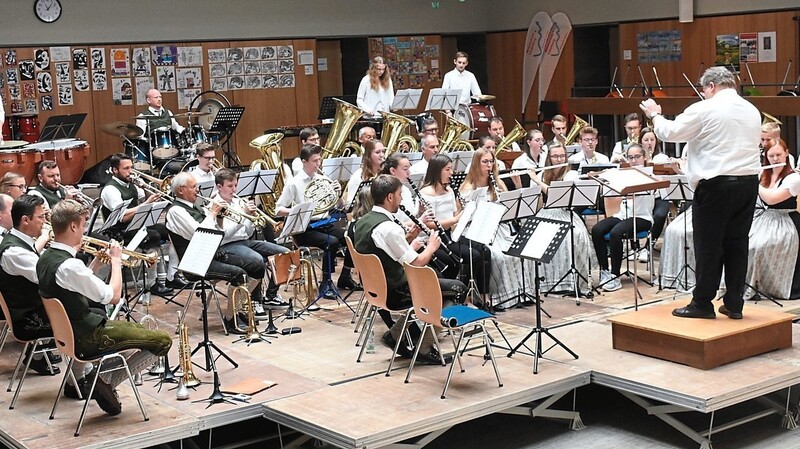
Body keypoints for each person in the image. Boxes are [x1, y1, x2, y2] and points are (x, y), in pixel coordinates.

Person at [640, 66, 761, 320]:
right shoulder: (752, 110)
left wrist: (655, 115)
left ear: (711, 87)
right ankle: (734, 303)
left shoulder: (705, 107)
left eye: (704, 89)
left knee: (708, 245)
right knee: (737, 244)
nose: (703, 93)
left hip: (716, 185)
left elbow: (670, 133)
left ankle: (703, 303)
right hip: (748, 183)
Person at [37, 199, 172, 416]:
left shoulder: (47, 257)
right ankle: (107, 382)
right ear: (73, 226)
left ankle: (92, 378)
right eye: (82, 225)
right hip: (87, 336)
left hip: (68, 332)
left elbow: (75, 285)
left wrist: (98, 264)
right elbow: (113, 296)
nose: (83, 231)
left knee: (135, 331)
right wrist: (117, 262)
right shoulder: (70, 265)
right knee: (162, 341)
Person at [354, 174, 464, 364]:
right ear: (390, 197)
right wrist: (431, 247)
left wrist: (406, 241)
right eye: (399, 194)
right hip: (396, 290)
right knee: (457, 289)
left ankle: (394, 335)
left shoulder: (362, 222)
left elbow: (384, 251)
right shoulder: (389, 228)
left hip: (377, 287)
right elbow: (417, 263)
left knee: (437, 279)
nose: (402, 198)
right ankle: (424, 347)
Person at [166, 172, 265, 332]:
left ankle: (239, 309)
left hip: (211, 255)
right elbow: (199, 234)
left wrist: (219, 217)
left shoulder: (196, 207)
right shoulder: (176, 211)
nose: (198, 190)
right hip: (194, 263)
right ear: (181, 190)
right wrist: (212, 213)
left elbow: (218, 233)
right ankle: (230, 318)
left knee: (255, 265)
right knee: (239, 274)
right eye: (193, 187)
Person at [275, 144, 358, 295]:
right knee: (331, 242)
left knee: (351, 237)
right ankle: (325, 283)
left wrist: (338, 194)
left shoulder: (323, 178)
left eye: (319, 160)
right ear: (304, 162)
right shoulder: (294, 183)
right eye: (314, 161)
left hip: (324, 223)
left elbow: (339, 206)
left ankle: (345, 275)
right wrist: (297, 211)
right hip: (305, 228)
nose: (318, 164)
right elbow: (278, 209)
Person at [212, 168, 291, 319]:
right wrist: (245, 217)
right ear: (219, 186)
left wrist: (250, 218)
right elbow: (224, 235)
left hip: (245, 241)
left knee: (284, 253)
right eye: (230, 186)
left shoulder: (238, 201)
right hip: (226, 246)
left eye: (235, 185)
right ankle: (254, 300)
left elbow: (247, 232)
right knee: (257, 261)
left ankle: (271, 295)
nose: (234, 189)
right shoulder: (215, 206)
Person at [99, 153, 176, 295]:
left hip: (137, 223)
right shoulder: (110, 189)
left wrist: (146, 188)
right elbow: (122, 216)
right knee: (153, 236)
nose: (131, 172)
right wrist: (146, 204)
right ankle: (153, 283)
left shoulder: (131, 185)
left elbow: (145, 200)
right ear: (115, 170)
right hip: (119, 230)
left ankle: (172, 275)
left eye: (131, 168)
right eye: (126, 168)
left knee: (171, 229)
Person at [420, 154, 490, 307]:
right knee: (472, 256)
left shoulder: (450, 190)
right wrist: (456, 219)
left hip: (450, 234)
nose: (451, 173)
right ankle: (461, 296)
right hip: (435, 238)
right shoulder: (426, 193)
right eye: (448, 169)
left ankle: (484, 297)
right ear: (438, 171)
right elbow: (429, 224)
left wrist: (467, 212)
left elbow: (453, 215)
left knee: (484, 250)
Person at [0, 195, 58, 376]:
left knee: (90, 307)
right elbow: (48, 280)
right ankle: (81, 378)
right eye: (41, 217)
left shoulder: (21, 242)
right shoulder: (15, 251)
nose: (44, 221)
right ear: (25, 220)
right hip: (28, 318)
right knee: (90, 316)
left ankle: (39, 357)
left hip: (33, 307)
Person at [459, 149, 523, 310]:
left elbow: (508, 207)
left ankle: (517, 295)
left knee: (518, 251)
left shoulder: (498, 183)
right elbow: (462, 215)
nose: (489, 165)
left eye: (491, 162)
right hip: (478, 229)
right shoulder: (468, 187)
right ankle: (489, 297)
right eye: (485, 162)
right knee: (497, 255)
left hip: (499, 228)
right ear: (476, 164)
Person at [529, 143, 597, 294]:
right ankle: (547, 282)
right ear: (549, 158)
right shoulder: (542, 174)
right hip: (547, 213)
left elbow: (557, 195)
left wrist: (536, 181)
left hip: (565, 213)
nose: (559, 160)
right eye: (555, 156)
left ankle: (572, 282)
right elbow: (537, 201)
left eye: (561, 156)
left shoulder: (570, 174)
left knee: (572, 237)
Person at [590, 144, 655, 292]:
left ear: (644, 157)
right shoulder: (625, 172)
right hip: (623, 214)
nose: (633, 160)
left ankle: (615, 275)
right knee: (597, 229)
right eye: (630, 157)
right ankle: (605, 271)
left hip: (642, 217)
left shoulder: (649, 175)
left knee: (615, 233)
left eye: (637, 157)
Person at [744, 143, 800, 299]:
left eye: (779, 155)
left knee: (759, 246)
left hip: (784, 221)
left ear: (786, 154)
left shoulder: (794, 177)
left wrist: (752, 180)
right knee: (741, 243)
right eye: (771, 156)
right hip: (762, 219)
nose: (775, 159)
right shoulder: (763, 175)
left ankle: (768, 285)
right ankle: (746, 284)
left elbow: (772, 199)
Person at [346, 140, 385, 204]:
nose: (382, 155)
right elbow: (351, 203)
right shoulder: (358, 175)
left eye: (383, 152)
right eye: (377, 152)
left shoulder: (385, 172)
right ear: (369, 155)